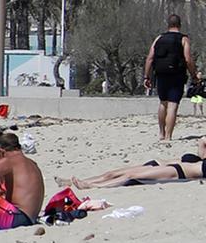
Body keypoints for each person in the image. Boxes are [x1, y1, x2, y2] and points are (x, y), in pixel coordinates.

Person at [147, 14, 194, 143]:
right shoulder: (184, 39)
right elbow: (188, 59)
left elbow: (150, 58)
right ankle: (168, 136)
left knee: (163, 103)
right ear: (180, 25)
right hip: (176, 75)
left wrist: (147, 76)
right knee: (172, 105)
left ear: (168, 25)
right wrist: (194, 75)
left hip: (161, 74)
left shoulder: (159, 38)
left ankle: (161, 133)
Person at [66, 149, 206, 189]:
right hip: (161, 164)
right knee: (112, 173)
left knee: (130, 176)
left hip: (177, 172)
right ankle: (79, 181)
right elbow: (202, 141)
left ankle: (91, 185)